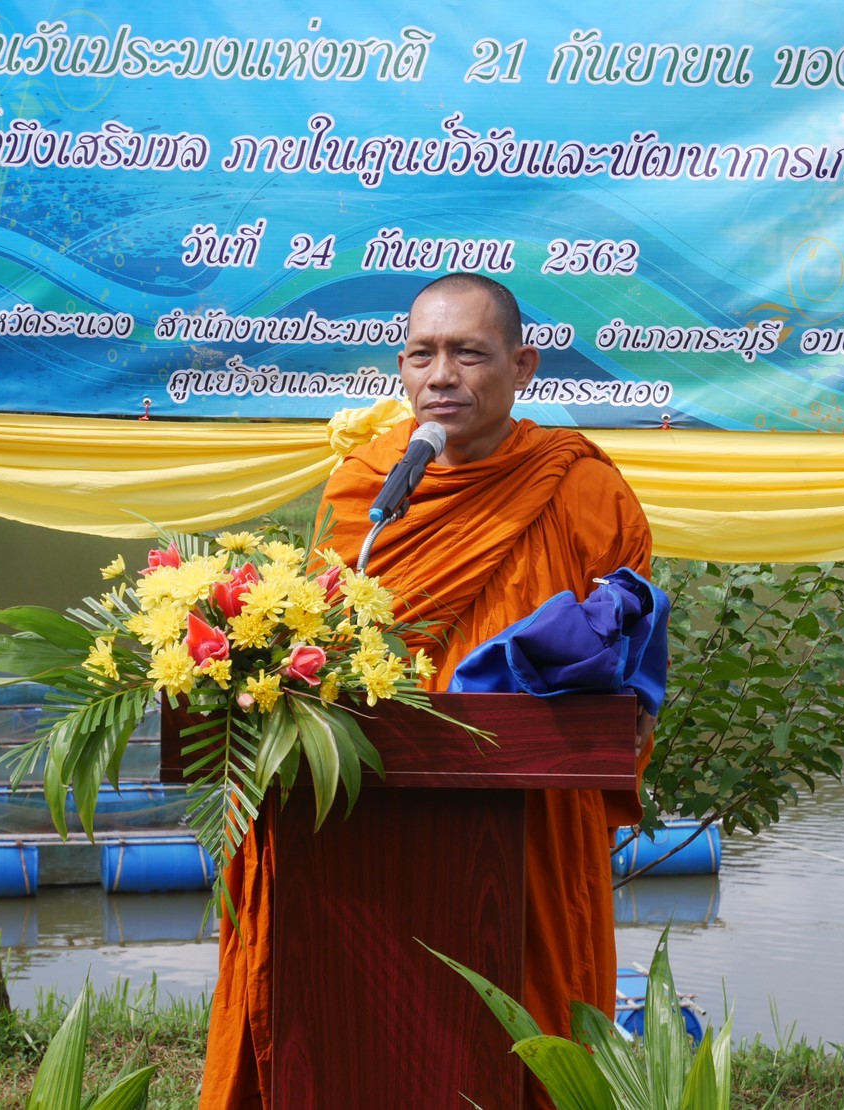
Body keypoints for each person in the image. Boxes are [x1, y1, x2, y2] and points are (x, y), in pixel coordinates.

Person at [199, 273, 654, 1109]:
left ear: (523, 367)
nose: (441, 375)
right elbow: (318, 646)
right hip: (367, 817)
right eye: (422, 355)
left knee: (529, 1030)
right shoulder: (367, 490)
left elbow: (629, 671)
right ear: (401, 368)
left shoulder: (583, 490)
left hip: (528, 823)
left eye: (468, 354)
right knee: (362, 1027)